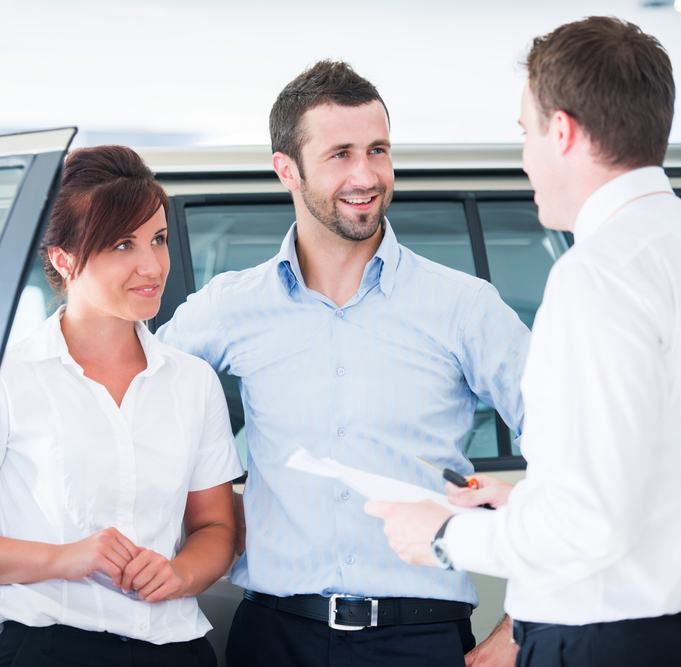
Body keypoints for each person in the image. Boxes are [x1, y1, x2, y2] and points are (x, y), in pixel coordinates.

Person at [366, 17, 681, 667]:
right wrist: (529, 500)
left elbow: (590, 523)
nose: (524, 157)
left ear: (563, 130)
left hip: (604, 642)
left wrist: (445, 535)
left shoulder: (599, 274)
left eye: (526, 132)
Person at [156, 61, 530, 667]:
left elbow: (579, 455)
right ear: (287, 170)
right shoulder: (230, 308)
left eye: (378, 150)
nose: (366, 175)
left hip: (420, 640)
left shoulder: (465, 308)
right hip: (274, 639)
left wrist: (518, 631)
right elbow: (132, 404)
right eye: (340, 154)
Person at [0, 145, 243, 667]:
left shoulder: (192, 382)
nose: (152, 264)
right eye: (122, 244)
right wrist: (62, 559)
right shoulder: (4, 379)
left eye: (157, 239)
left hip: (176, 650)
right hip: (51, 650)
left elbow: (217, 530)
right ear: (63, 259)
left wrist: (181, 572)